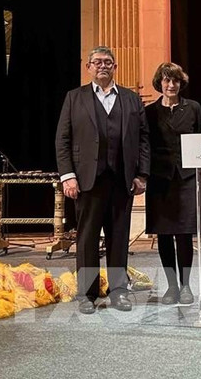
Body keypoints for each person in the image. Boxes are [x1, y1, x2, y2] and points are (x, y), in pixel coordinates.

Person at [55, 46, 150, 314]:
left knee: (119, 237)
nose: (103, 66)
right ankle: (87, 293)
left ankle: (119, 290)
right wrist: (68, 176)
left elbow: (144, 139)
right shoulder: (74, 98)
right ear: (88, 67)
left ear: (115, 67)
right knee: (86, 237)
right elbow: (62, 140)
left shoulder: (132, 99)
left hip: (122, 180)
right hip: (87, 180)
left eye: (108, 62)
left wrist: (142, 174)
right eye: (97, 62)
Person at [145, 62, 201, 305]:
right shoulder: (148, 112)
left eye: (175, 81)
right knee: (164, 234)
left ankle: (186, 286)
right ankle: (171, 286)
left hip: (186, 178)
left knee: (184, 234)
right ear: (160, 83)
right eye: (167, 80)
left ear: (181, 83)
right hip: (159, 179)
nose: (171, 85)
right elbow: (144, 146)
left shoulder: (194, 108)